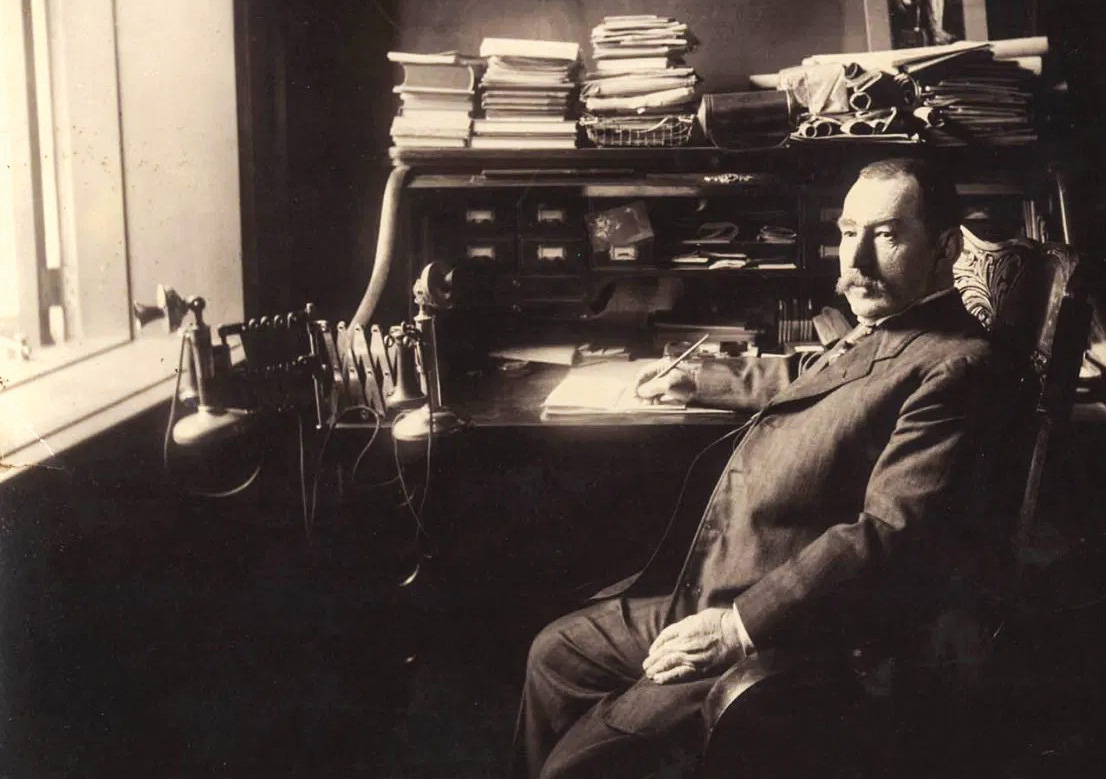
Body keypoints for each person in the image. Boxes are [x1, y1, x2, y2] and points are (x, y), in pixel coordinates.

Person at [514, 157, 998, 779]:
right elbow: (817, 377)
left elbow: (889, 534)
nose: (856, 262)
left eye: (887, 235)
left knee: (577, 765)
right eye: (850, 233)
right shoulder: (886, 327)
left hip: (786, 630)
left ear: (945, 246)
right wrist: (703, 378)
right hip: (720, 580)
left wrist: (738, 628)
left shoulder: (954, 365)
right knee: (555, 655)